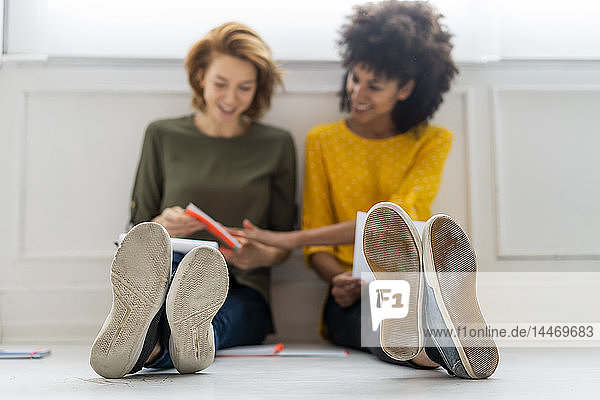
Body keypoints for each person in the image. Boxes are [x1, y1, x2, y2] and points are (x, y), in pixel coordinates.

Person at [235, 1, 498, 379]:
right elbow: (320, 245)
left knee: (402, 301)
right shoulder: (323, 141)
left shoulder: (431, 142)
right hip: (352, 297)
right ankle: (440, 351)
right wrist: (338, 280)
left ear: (406, 87)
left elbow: (395, 218)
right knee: (379, 319)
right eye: (355, 78)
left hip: (410, 281)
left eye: (374, 86)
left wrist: (287, 239)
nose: (358, 92)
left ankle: (441, 337)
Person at [90, 21, 296, 378]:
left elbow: (283, 241)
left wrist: (257, 253)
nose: (231, 99)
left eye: (245, 88)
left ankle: (150, 346)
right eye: (220, 84)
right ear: (200, 76)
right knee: (170, 302)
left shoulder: (277, 144)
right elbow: (134, 233)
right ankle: (158, 342)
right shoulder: (163, 134)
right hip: (167, 272)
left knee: (220, 318)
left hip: (241, 283)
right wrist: (160, 224)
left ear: (258, 88)